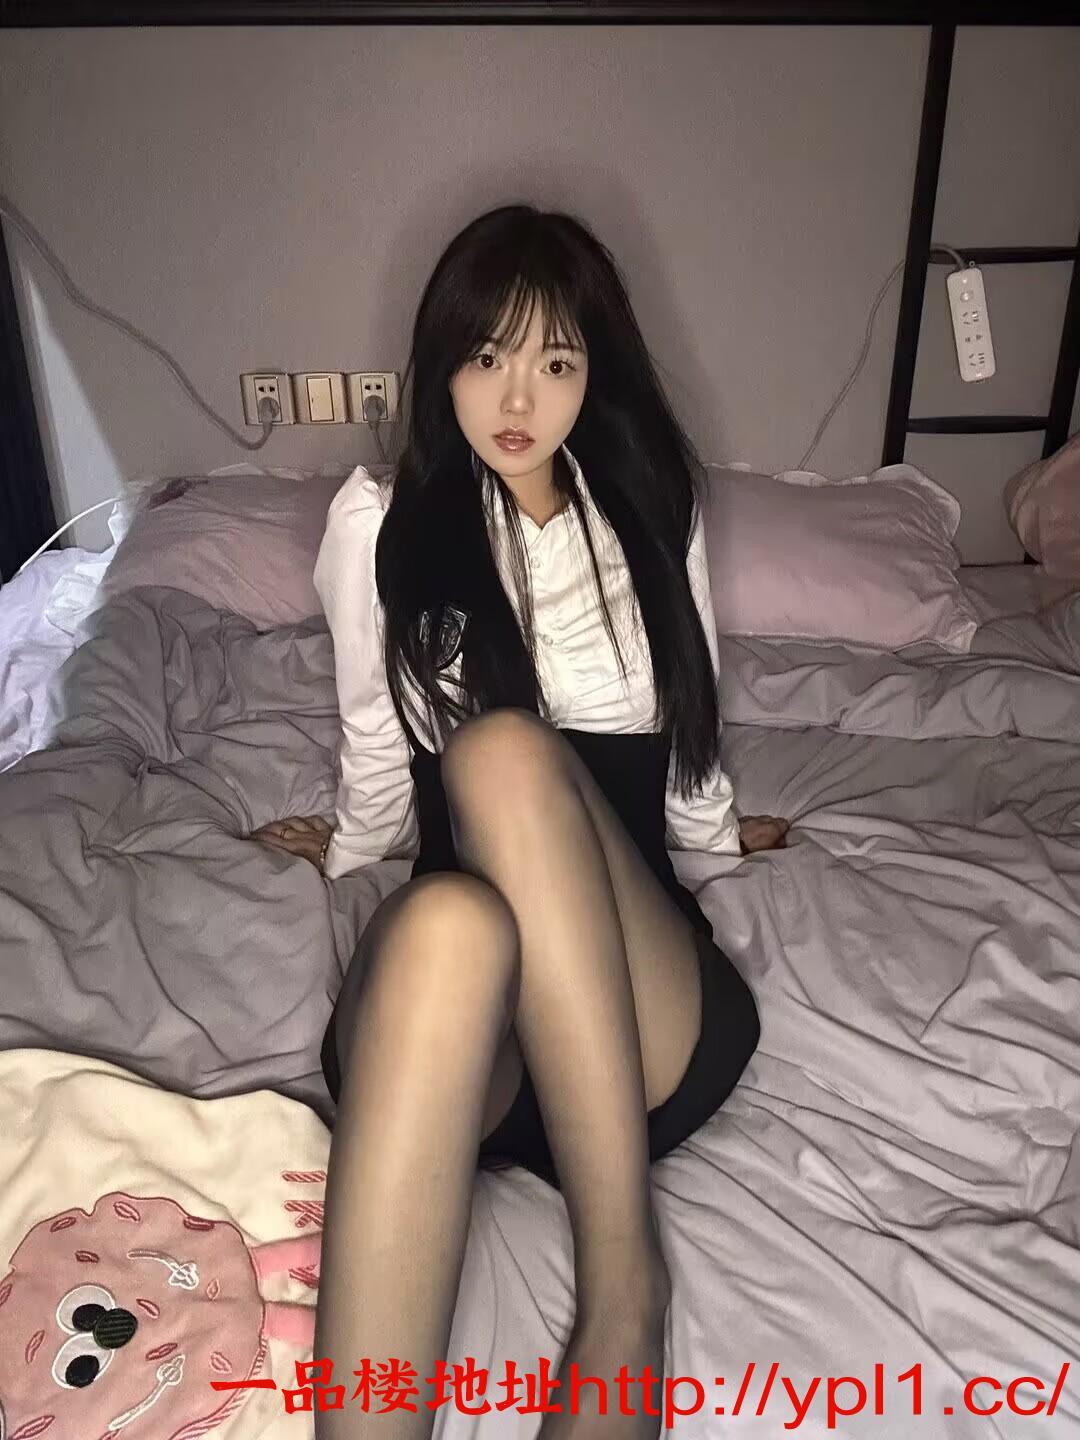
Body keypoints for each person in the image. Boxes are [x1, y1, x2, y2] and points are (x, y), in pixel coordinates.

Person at [252, 204, 790, 1440]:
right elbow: (375, 736)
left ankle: (623, 1296)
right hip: (477, 1041)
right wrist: (349, 844)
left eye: (556, 361)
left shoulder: (653, 504)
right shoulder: (380, 522)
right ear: (440, 361)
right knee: (443, 921)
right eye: (486, 355)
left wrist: (717, 841)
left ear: (596, 373)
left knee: (498, 752)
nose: (517, 398)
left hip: (635, 1007)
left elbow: (691, 722)